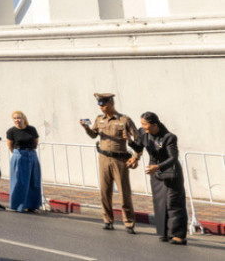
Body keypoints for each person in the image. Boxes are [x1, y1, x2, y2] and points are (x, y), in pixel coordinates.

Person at [80, 93, 139, 233]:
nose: (102, 108)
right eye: (100, 105)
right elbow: (94, 134)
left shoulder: (124, 120)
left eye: (105, 105)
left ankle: (129, 223)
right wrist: (86, 128)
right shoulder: (99, 119)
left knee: (124, 193)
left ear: (112, 103)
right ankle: (107, 220)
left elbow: (138, 140)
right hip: (104, 158)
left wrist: (136, 156)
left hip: (120, 159)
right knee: (104, 191)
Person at [131, 112, 188, 245]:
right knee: (160, 202)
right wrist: (129, 141)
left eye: (145, 124)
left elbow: (173, 158)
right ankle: (164, 233)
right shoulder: (143, 133)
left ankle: (178, 235)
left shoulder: (169, 137)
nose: (142, 126)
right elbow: (138, 147)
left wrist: (158, 166)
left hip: (171, 173)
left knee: (174, 203)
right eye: (142, 124)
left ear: (154, 125)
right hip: (156, 173)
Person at [6, 110, 42, 212]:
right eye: (15, 118)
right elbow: (10, 145)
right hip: (19, 155)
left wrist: (30, 152)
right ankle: (18, 205)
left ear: (23, 119)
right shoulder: (11, 131)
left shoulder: (31, 129)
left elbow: (35, 142)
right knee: (20, 181)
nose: (17, 120)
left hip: (32, 155)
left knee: (33, 181)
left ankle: (32, 206)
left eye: (19, 118)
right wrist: (18, 154)